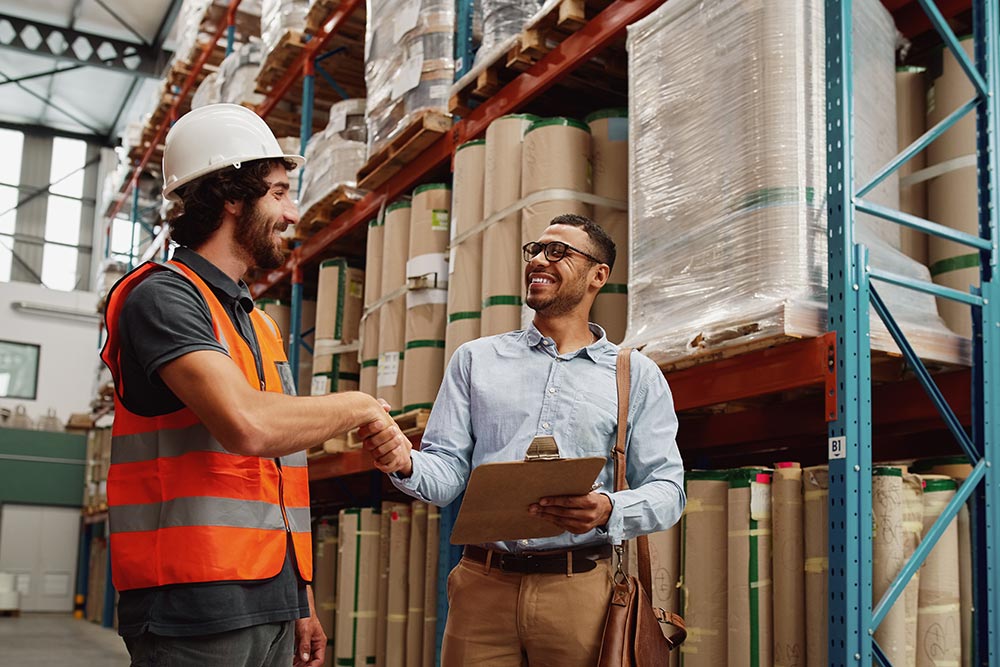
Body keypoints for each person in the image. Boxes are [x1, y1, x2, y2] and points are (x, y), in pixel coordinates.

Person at [100, 103, 406, 667]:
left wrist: (300, 595)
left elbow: (275, 474)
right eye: (280, 193)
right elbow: (248, 425)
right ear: (230, 196)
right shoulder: (163, 298)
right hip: (193, 605)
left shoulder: (255, 321)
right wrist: (361, 405)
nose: (293, 213)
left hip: (269, 599)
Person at [360, 213, 686, 666]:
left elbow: (670, 491)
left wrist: (609, 508)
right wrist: (405, 461)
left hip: (579, 592)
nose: (538, 260)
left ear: (599, 276)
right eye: (534, 249)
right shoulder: (476, 360)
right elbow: (449, 472)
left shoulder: (635, 375)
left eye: (557, 252)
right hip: (482, 587)